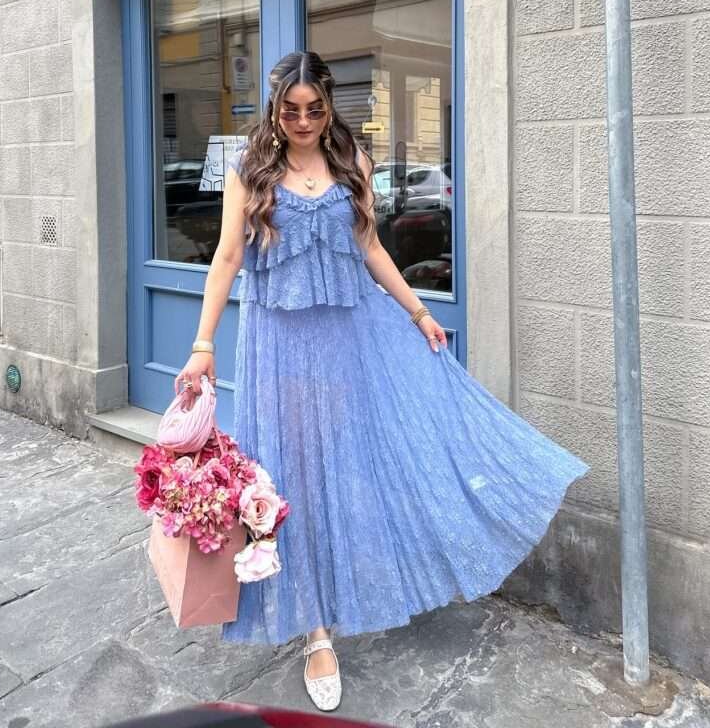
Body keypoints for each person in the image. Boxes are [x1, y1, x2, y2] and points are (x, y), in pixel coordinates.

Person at [174, 51, 589, 712]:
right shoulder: (249, 170)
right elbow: (227, 256)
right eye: (291, 110)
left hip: (349, 338)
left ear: (330, 106)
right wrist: (201, 345)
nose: (304, 121)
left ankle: (347, 586)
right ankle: (314, 631)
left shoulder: (351, 165)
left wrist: (418, 310)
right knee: (287, 476)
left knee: (349, 464)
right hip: (277, 344)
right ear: (275, 108)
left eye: (315, 108)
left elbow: (369, 248)